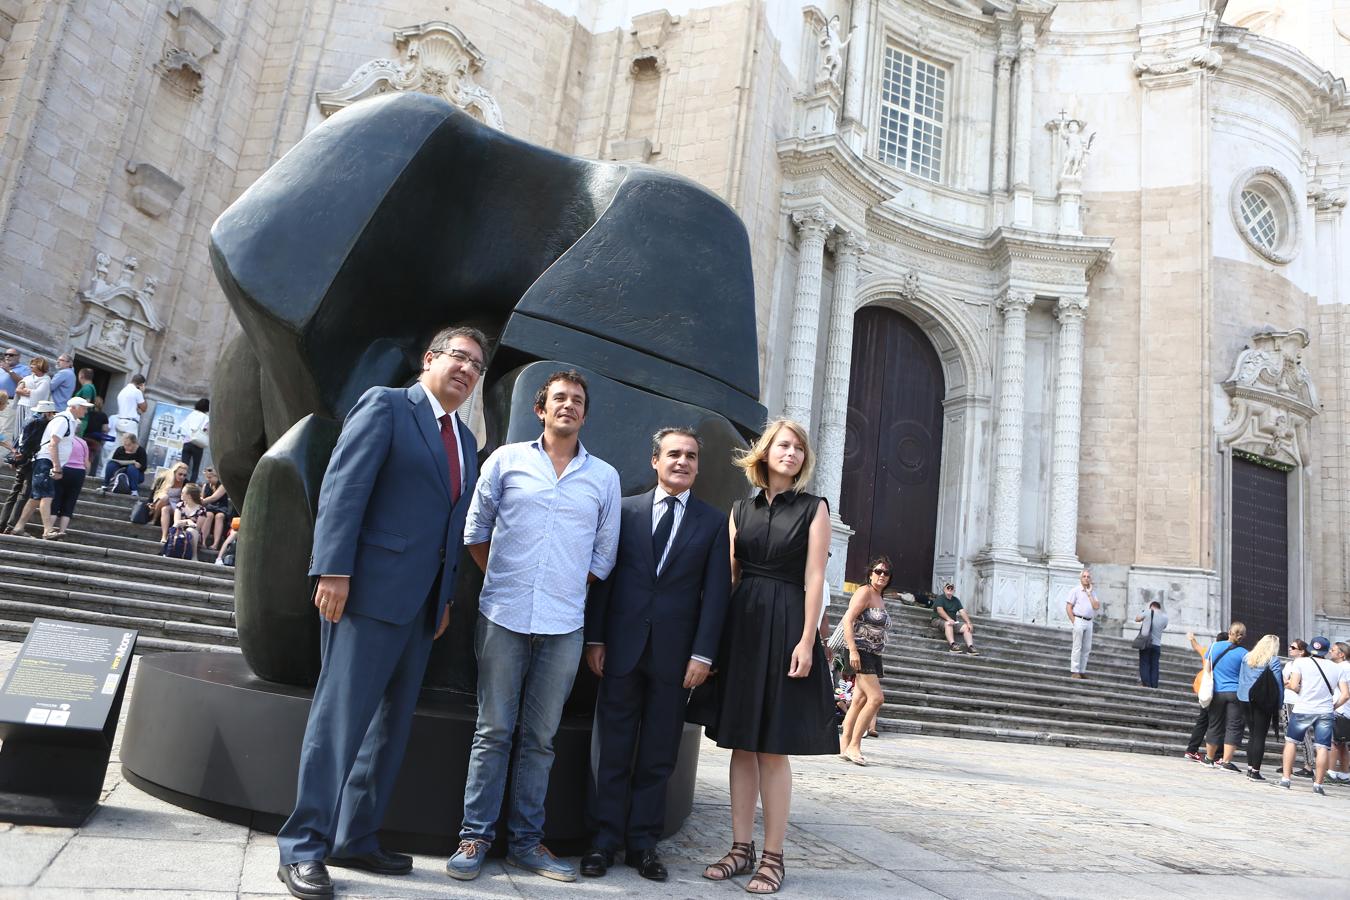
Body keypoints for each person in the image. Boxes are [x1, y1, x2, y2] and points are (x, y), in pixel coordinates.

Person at [275, 326, 485, 900]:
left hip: (421, 608)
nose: (467, 370)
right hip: (364, 593)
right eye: (459, 357)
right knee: (339, 722)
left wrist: (442, 599)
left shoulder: (465, 444)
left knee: (389, 731)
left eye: (476, 366)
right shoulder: (387, 407)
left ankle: (356, 835)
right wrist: (333, 571)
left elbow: (450, 528)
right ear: (430, 358)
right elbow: (345, 487)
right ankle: (304, 847)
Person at [447, 369, 620, 885]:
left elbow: (603, 555)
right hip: (502, 614)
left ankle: (525, 842)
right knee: (493, 730)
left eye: (578, 400)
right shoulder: (505, 461)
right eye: (559, 399)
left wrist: (561, 586)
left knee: (540, 739)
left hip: (564, 624)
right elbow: (475, 531)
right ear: (540, 409)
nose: (568, 406)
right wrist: (506, 578)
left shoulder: (603, 477)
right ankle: (474, 836)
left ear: (585, 414)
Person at [579, 426, 730, 882]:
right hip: (620, 651)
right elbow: (604, 578)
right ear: (655, 461)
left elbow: (717, 595)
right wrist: (596, 639)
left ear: (698, 466)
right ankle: (603, 840)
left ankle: (643, 843)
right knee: (612, 750)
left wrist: (703, 654)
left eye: (690, 456)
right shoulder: (624, 511)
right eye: (673, 454)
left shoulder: (712, 522)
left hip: (676, 657)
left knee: (659, 754)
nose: (681, 462)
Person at [695, 418, 835, 896]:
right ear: (764, 452)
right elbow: (729, 575)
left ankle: (773, 856)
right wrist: (713, 640)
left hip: (787, 622)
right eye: (783, 445)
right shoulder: (739, 509)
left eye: (798, 447)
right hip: (744, 625)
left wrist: (806, 640)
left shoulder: (815, 509)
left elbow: (815, 577)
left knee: (773, 746)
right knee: (741, 744)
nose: (791, 453)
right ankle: (740, 848)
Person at [837, 557, 891, 766]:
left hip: (873, 653)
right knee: (876, 698)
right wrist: (852, 650)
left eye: (886, 573)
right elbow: (848, 620)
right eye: (878, 571)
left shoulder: (879, 595)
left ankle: (844, 744)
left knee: (859, 700)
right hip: (860, 651)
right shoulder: (865, 592)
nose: (881, 576)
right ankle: (854, 746)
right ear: (870, 573)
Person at [1279, 635, 1350, 794]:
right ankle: (1318, 784)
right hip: (1325, 710)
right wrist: (1334, 706)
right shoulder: (1336, 668)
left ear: (1311, 648)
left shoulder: (1300, 662)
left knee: (1291, 742)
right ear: (1325, 651)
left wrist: (1298, 690)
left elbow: (1293, 685)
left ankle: (1286, 779)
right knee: (1323, 747)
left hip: (1303, 708)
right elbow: (1345, 694)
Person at [11, 395, 88, 539]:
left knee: (35, 497)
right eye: (83, 408)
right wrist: (57, 466)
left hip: (45, 461)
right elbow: (53, 443)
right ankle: (48, 530)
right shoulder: (63, 420)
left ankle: (18, 527)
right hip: (46, 461)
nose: (85, 411)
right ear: (74, 408)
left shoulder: (69, 420)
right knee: (47, 495)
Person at [1, 400, 58, 533]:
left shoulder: (30, 419)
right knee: (24, 494)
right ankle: (11, 525)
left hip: (21, 458)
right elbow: (30, 442)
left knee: (15, 492)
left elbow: (20, 440)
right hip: (31, 460)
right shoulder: (42, 423)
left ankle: (2, 524)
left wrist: (15, 459)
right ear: (48, 412)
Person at [1237, 634, 1283, 781]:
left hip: (1245, 697)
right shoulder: (1273, 660)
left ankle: (1250, 768)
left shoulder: (1247, 657)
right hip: (1262, 700)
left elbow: (1241, 677)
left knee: (1252, 734)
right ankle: (1255, 771)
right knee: (1259, 736)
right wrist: (1279, 704)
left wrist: (1241, 693)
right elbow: (1278, 685)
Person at [1203, 621, 1248, 770]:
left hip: (1217, 691)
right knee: (1233, 726)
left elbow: (1207, 669)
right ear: (1243, 636)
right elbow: (1245, 676)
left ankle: (1209, 758)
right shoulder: (1244, 653)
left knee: (1214, 723)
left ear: (1229, 631)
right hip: (1235, 693)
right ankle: (1226, 762)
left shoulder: (1214, 646)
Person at [50, 396, 93, 537]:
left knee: (56, 499)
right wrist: (86, 473)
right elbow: (87, 463)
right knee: (70, 502)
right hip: (78, 473)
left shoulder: (66, 439)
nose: (86, 411)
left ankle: (49, 528)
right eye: (84, 408)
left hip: (64, 469)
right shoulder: (83, 443)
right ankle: (62, 531)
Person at [1183, 630, 1225, 762]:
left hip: (1205, 689)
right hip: (1218, 690)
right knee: (1219, 723)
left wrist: (1191, 638)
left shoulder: (1209, 650)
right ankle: (1218, 756)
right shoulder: (1228, 653)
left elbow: (1197, 647)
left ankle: (1191, 750)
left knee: (1202, 721)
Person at [1065, 569, 1100, 678]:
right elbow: (1068, 607)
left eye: (1088, 576)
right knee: (1077, 646)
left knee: (1087, 648)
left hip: (1089, 621)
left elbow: (1096, 607)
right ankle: (1075, 671)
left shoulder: (1093, 593)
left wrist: (1089, 594)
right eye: (1084, 576)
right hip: (1078, 619)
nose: (1086, 578)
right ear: (1081, 578)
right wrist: (1074, 621)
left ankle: (1082, 671)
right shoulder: (1075, 590)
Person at [934, 581, 978, 654]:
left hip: (952, 622)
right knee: (948, 623)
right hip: (938, 620)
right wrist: (949, 619)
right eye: (948, 588)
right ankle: (953, 645)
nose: (950, 589)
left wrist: (969, 623)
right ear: (944, 589)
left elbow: (962, 612)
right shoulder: (940, 598)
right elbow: (940, 610)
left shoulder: (956, 600)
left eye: (952, 588)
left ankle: (970, 647)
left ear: (954, 590)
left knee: (966, 627)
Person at [167, 482, 207, 559]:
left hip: (194, 535)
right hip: (178, 531)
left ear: (189, 496)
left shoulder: (202, 510)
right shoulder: (180, 505)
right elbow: (176, 522)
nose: (181, 494)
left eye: (183, 493)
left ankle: (194, 556)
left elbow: (197, 528)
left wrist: (186, 523)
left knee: (191, 530)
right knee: (179, 527)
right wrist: (188, 521)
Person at [1133, 600, 1168, 687]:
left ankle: (1146, 683)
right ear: (1159, 608)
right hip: (1157, 645)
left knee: (1144, 663)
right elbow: (1164, 627)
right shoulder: (1165, 617)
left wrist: (1143, 614)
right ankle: (1154, 684)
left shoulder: (1148, 612)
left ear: (1151, 606)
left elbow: (1137, 619)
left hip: (1146, 643)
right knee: (1154, 665)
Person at [152, 462, 189, 543]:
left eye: (184, 475)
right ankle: (153, 519)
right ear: (174, 472)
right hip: (162, 500)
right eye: (180, 474)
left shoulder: (186, 483)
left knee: (165, 509)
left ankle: (164, 536)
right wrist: (150, 502)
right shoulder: (164, 478)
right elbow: (153, 492)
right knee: (165, 498)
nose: (182, 477)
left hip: (176, 504)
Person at [199, 468, 232, 549]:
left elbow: (214, 497)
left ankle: (215, 544)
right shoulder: (205, 485)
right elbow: (202, 497)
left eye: (210, 477)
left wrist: (201, 501)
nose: (208, 479)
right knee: (208, 514)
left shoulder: (223, 485)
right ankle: (203, 541)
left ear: (216, 476)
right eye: (207, 477)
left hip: (221, 507)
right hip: (209, 506)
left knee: (219, 516)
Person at [180, 398, 209, 483]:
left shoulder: (191, 414)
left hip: (187, 442)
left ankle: (180, 484)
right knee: (195, 468)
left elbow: (184, 426)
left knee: (183, 466)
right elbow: (206, 429)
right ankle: (190, 487)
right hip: (198, 443)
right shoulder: (206, 417)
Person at [15, 356, 51, 425]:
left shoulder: (46, 379)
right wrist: (30, 391)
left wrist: (27, 390)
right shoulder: (28, 378)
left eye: (33, 364)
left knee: (28, 426)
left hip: (34, 408)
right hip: (22, 404)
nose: (31, 366)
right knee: (18, 426)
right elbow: (18, 390)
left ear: (40, 366)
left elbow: (39, 393)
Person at [81, 395, 111, 473]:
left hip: (85, 437)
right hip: (96, 440)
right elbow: (105, 429)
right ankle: (87, 475)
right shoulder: (104, 415)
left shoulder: (88, 414)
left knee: (82, 456)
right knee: (90, 458)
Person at [115, 374, 147, 438]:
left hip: (120, 421)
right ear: (141, 384)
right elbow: (144, 408)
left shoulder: (122, 391)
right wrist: (142, 392)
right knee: (132, 447)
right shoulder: (137, 392)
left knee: (119, 447)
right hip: (130, 424)